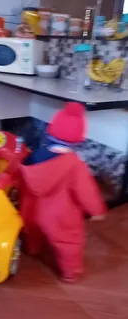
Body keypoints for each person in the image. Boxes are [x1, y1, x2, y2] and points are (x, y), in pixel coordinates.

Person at [20, 102, 107, 282]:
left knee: (32, 231)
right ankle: (70, 272)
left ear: (50, 132)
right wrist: (96, 211)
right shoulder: (75, 166)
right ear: (79, 141)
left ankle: (33, 248)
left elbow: (23, 177)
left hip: (32, 210)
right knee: (69, 242)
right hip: (61, 216)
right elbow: (86, 192)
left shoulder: (33, 155)